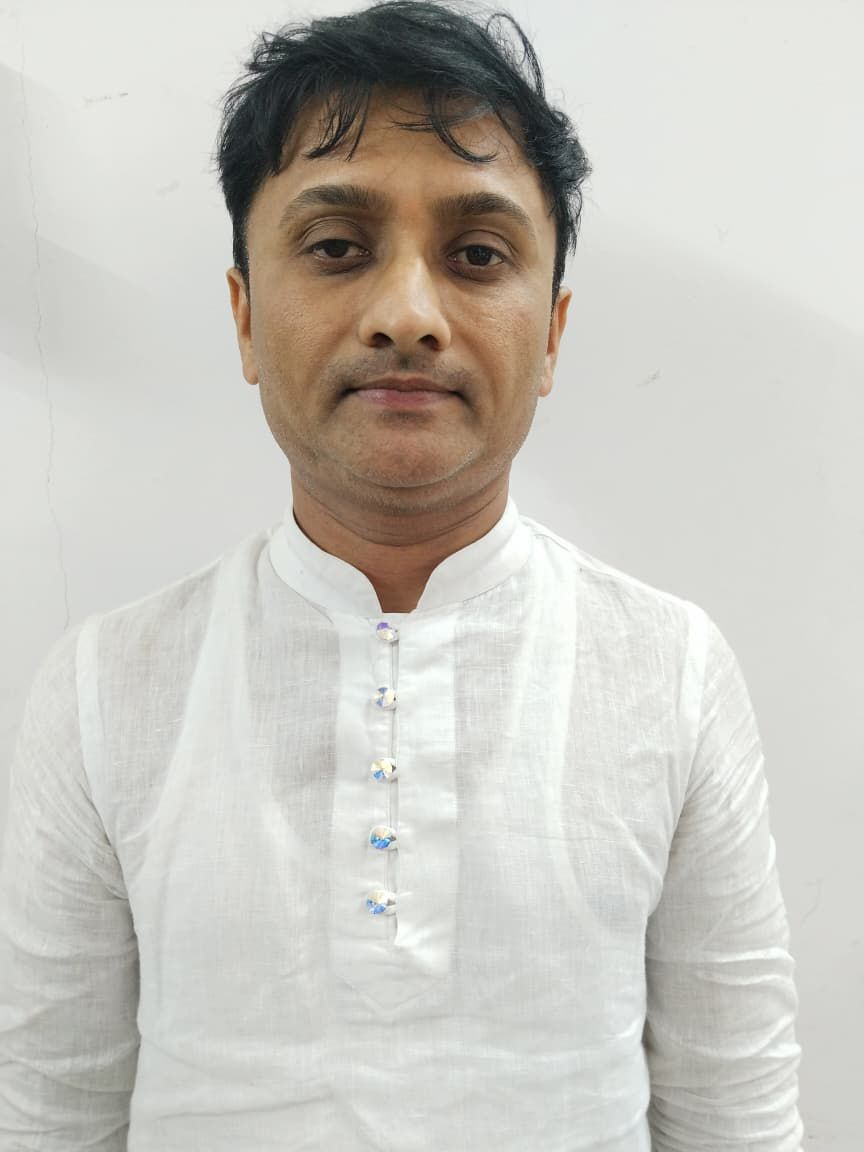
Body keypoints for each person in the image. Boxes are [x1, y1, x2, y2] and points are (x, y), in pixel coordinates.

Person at [0, 1, 804, 1148]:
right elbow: (47, 1117)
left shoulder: (669, 674)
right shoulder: (103, 691)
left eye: (477, 256)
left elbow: (737, 1119)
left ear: (553, 335)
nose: (407, 317)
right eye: (338, 247)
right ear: (243, 317)